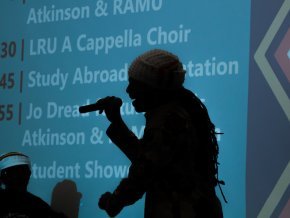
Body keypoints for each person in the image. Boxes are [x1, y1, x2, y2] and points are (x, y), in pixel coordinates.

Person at [97, 49, 225, 218]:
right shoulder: (175, 113)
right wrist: (117, 123)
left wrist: (114, 201)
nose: (128, 90)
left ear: (153, 88)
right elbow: (149, 158)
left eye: (135, 84)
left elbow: (144, 171)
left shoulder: (167, 120)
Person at [0, 152, 67, 218]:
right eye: (15, 172)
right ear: (3, 176)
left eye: (23, 172)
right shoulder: (36, 203)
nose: (21, 177)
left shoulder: (37, 204)